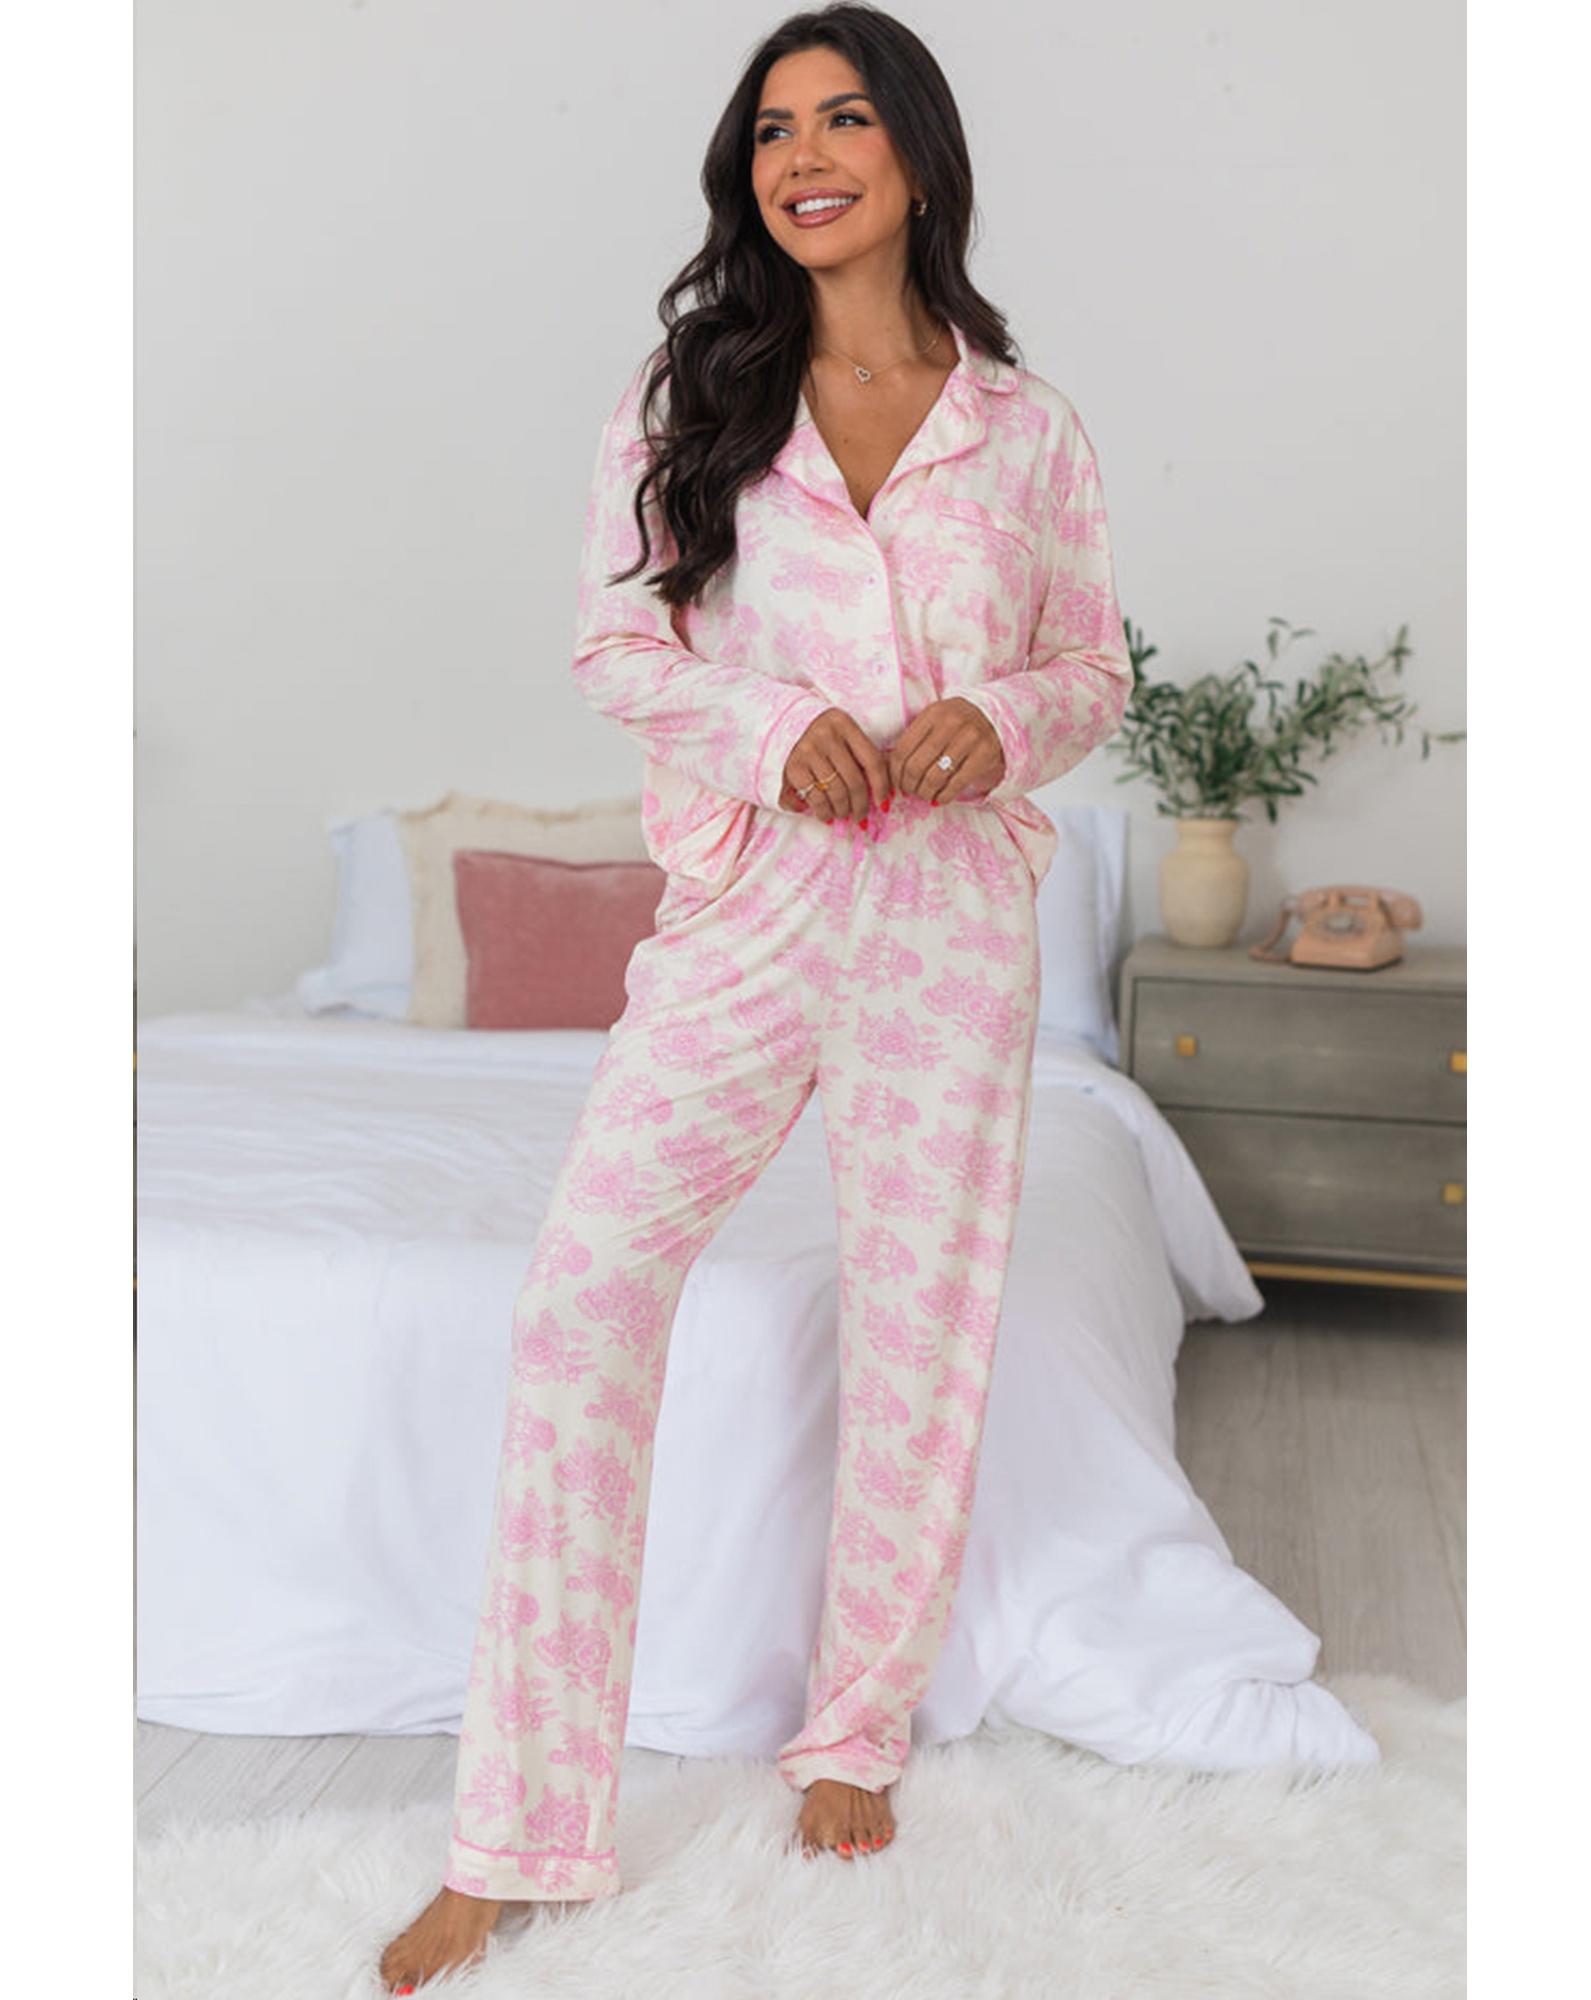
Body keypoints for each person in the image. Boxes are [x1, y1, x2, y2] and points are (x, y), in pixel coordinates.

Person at [380, 4, 1133, 1988]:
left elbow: (1092, 667)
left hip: (948, 922)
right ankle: (519, 1829)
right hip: (751, 908)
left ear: (915, 155)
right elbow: (614, 646)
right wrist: (773, 723)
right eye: (774, 128)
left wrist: (1000, 718)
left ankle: (852, 1731)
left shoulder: (1025, 426)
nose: (804, 154)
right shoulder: (691, 391)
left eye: (844, 117)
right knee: (583, 1297)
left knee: (921, 1327)